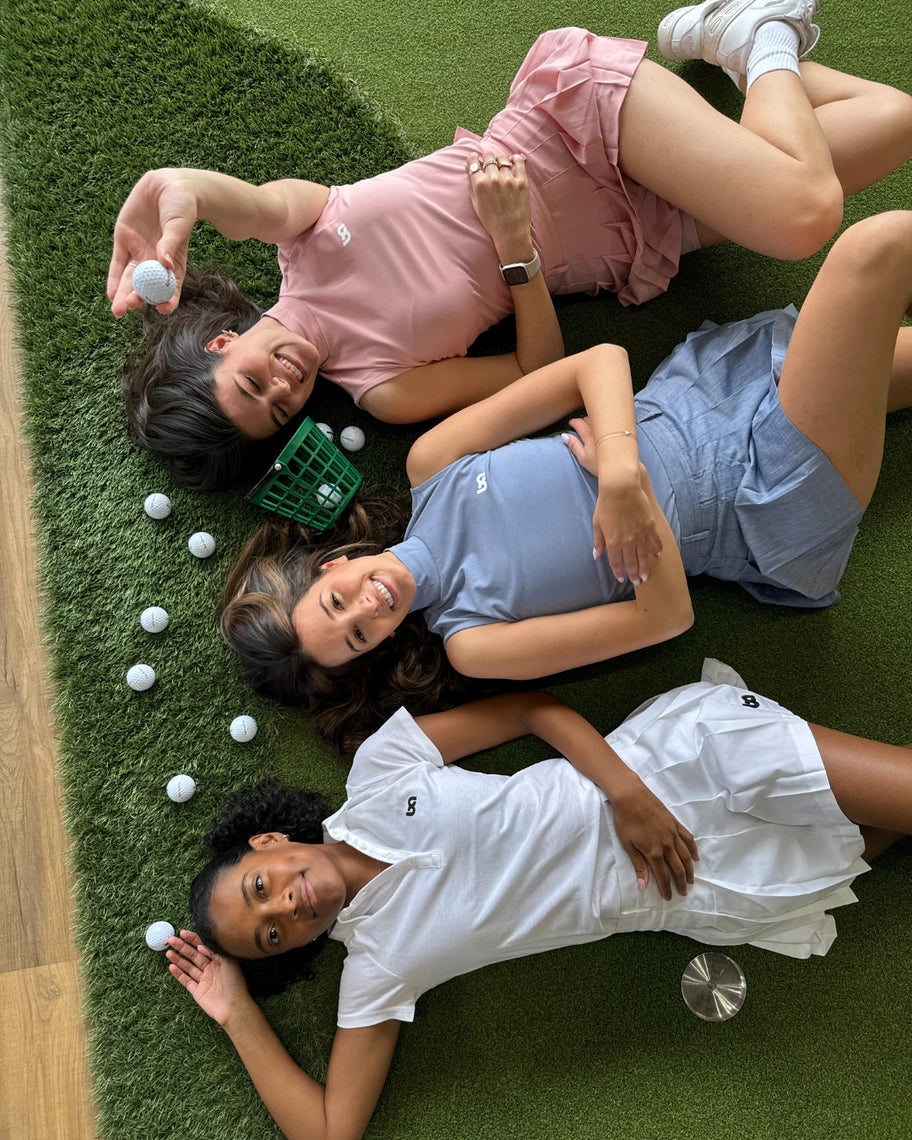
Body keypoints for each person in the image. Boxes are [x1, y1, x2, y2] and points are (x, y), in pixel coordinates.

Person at [106, 17, 912, 489]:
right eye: (280, 409)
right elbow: (538, 370)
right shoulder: (381, 391)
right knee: (894, 119)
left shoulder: (303, 236)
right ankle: (733, 45)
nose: (286, 384)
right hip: (634, 237)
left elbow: (238, 206)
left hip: (582, 125)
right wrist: (514, 249)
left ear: (223, 341)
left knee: (804, 215)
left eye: (253, 379)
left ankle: (760, 33)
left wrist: (179, 186)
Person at [218, 209, 912, 748]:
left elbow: (599, 362)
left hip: (705, 394)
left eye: (337, 603)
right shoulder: (473, 641)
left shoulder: (431, 466)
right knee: (873, 252)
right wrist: (638, 502)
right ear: (379, 650)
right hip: (759, 499)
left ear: (335, 561)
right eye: (360, 637)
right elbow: (668, 617)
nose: (368, 608)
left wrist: (615, 473)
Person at [167, 667, 912, 1140]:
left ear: (268, 842)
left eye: (258, 888)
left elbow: (531, 711)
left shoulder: (380, 769)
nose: (283, 911)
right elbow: (331, 1131)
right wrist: (237, 1011)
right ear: (292, 953)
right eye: (270, 937)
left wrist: (627, 795)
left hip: (671, 767)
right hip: (695, 882)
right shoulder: (378, 968)